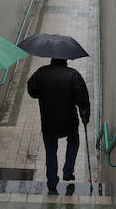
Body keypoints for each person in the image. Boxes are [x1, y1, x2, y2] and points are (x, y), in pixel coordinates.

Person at [27, 58, 90, 194]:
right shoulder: (73, 75)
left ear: (52, 59)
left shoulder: (41, 73)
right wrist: (85, 117)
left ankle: (52, 182)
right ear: (65, 60)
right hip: (69, 121)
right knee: (73, 141)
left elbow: (32, 91)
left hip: (48, 121)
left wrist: (43, 93)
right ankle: (68, 171)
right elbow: (83, 100)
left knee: (50, 150)